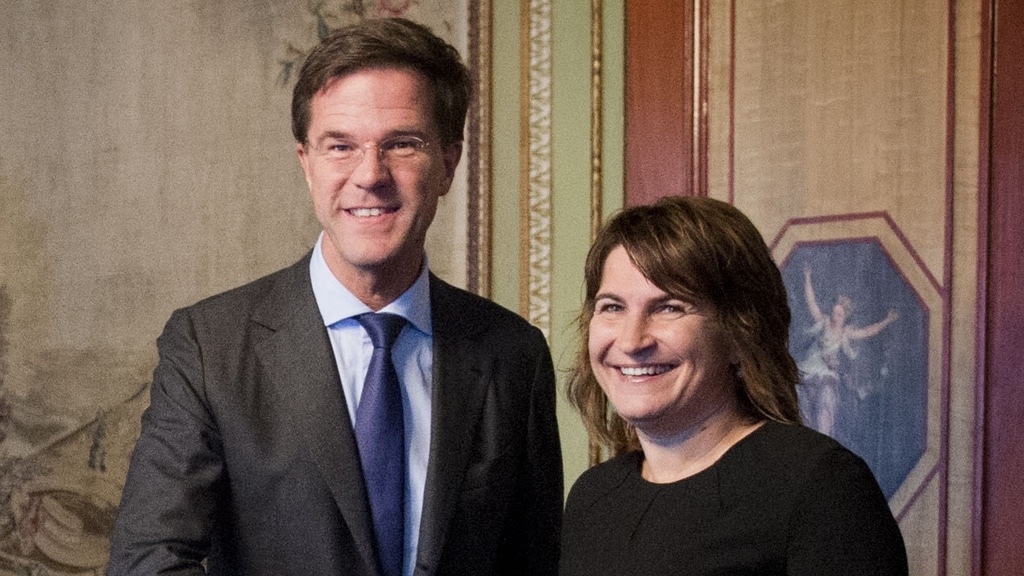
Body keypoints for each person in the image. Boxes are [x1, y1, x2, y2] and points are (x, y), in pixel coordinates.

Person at [107, 17, 563, 576]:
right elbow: (148, 560)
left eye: (402, 144)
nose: (370, 174)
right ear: (307, 164)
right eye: (340, 146)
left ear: (448, 164)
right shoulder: (210, 348)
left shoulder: (514, 355)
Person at [559, 196, 907, 575]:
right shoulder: (593, 498)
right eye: (612, 307)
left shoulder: (821, 488)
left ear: (740, 334)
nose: (631, 341)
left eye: (669, 307)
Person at [798, 264, 899, 436]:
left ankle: (823, 435)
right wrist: (807, 277)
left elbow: (868, 331)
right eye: (834, 313)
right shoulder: (823, 322)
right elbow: (811, 302)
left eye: (839, 315)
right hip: (810, 368)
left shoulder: (846, 333)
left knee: (826, 402)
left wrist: (887, 321)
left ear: (845, 316)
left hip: (827, 373)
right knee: (804, 406)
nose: (835, 317)